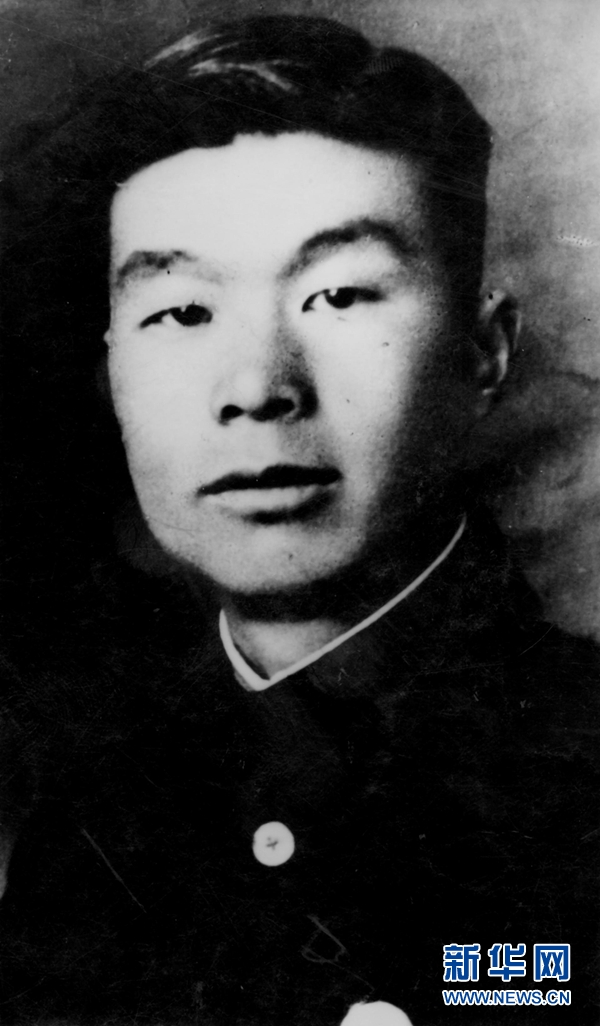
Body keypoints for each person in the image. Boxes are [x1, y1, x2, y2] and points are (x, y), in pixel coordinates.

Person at [0, 14, 598, 1026]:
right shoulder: (92, 800)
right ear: (113, 372)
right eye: (182, 312)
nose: (257, 387)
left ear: (483, 353)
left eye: (340, 293)